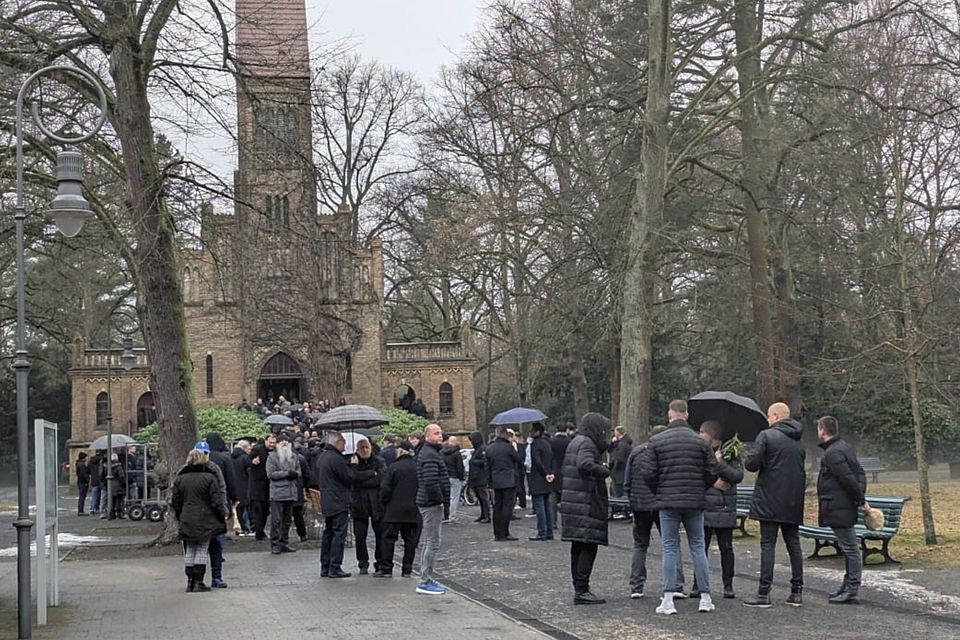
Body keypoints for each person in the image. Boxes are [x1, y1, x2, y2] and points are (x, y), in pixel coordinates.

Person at [640, 400, 718, 615]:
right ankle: (705, 597)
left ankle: (668, 599)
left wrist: (659, 489)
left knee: (669, 547)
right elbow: (713, 471)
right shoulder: (701, 442)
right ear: (687, 414)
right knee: (698, 546)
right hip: (695, 501)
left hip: (668, 501)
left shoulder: (657, 441)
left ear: (669, 415)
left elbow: (647, 472)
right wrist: (700, 487)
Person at [743, 402, 806, 608]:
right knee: (793, 544)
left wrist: (748, 456)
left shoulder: (767, 436)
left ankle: (764, 593)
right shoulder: (798, 440)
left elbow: (752, 464)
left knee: (767, 544)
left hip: (769, 498)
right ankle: (796, 591)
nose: (768, 420)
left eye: (769, 416)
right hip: (793, 500)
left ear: (776, 416)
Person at [624, 425, 685, 600]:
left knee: (640, 544)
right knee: (671, 543)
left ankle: (636, 586)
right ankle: (676, 584)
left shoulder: (636, 452)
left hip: (639, 504)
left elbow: (627, 481)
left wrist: (632, 500)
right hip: (661, 503)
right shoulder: (667, 452)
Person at [560, 412, 611, 605]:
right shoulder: (587, 444)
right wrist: (604, 471)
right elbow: (585, 464)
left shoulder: (576, 441)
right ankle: (582, 589)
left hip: (575, 501)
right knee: (588, 546)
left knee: (578, 546)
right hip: (586, 502)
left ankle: (579, 587)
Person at [816, 416, 868, 604]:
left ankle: (851, 588)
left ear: (822, 430)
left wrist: (860, 500)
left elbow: (847, 479)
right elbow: (859, 474)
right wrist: (859, 496)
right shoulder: (844, 448)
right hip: (842, 505)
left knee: (850, 548)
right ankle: (847, 586)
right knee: (849, 548)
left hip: (839, 506)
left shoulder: (833, 453)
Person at [696, 420, 744, 600]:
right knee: (701, 547)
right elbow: (695, 475)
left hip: (725, 507)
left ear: (714, 438)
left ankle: (728, 585)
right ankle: (698, 583)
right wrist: (713, 482)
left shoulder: (731, 453)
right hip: (706, 506)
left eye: (703, 432)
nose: (700, 435)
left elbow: (737, 476)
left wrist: (720, 463)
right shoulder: (700, 451)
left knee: (726, 548)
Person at [171, 445, 228, 592]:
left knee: (190, 548)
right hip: (205, 518)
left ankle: (190, 581)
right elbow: (216, 500)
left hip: (187, 517)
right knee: (202, 549)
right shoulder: (209, 478)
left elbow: (175, 501)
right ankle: (199, 581)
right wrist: (222, 514)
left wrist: (179, 514)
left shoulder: (180, 479)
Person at [377, 441, 421, 578]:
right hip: (413, 509)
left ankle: (387, 568)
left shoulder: (394, 467)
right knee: (410, 541)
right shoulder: (417, 467)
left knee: (389, 539)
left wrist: (384, 502)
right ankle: (407, 569)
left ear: (401, 451)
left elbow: (385, 488)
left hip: (394, 510)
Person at [315, 432, 356, 578]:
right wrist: (352, 466)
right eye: (343, 442)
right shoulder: (336, 459)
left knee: (328, 533)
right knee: (338, 534)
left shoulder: (323, 456)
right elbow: (348, 477)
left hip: (327, 500)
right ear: (337, 442)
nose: (345, 445)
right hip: (338, 500)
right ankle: (335, 566)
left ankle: (325, 566)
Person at [415, 423, 450, 595]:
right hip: (431, 504)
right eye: (436, 433)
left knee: (430, 541)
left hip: (429, 502)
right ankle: (425, 580)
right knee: (432, 542)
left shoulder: (431, 453)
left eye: (441, 433)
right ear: (427, 436)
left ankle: (426, 577)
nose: (440, 436)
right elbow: (430, 482)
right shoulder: (429, 455)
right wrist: (439, 500)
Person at [205, 433, 237, 587]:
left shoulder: (202, 458)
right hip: (220, 500)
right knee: (219, 532)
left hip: (202, 503)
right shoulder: (225, 459)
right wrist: (235, 498)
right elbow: (231, 480)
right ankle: (217, 562)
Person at [351, 438, 386, 575]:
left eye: (367, 447)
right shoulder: (353, 462)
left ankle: (380, 562)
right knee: (360, 536)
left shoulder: (379, 461)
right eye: (362, 448)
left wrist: (362, 478)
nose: (365, 450)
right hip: (359, 504)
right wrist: (371, 473)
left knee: (380, 535)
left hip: (377, 503)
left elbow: (381, 479)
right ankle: (362, 562)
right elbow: (353, 479)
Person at [267, 433, 301, 554]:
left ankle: (284, 542)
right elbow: (270, 474)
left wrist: (295, 474)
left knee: (287, 520)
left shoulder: (294, 457)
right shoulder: (272, 457)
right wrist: (287, 473)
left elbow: (298, 471)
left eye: (287, 442)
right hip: (277, 493)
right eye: (282, 442)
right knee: (276, 520)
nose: (285, 444)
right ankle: (275, 544)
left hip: (291, 492)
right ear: (278, 444)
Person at [486, 426, 522, 541]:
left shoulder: (490, 448)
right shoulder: (508, 448)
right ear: (505, 435)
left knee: (497, 506)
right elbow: (518, 459)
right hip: (508, 479)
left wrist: (489, 482)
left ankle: (497, 533)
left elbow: (487, 467)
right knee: (507, 506)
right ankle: (505, 532)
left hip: (496, 480)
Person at [527, 423, 555, 541]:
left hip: (538, 478)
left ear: (537, 432)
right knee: (547, 506)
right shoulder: (547, 443)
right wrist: (551, 473)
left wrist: (545, 474)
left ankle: (542, 532)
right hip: (548, 478)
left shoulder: (535, 445)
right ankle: (549, 531)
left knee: (539, 507)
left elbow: (537, 462)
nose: (530, 433)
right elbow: (553, 460)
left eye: (532, 431)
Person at [549, 423, 575, 526]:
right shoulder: (570, 442)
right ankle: (566, 522)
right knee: (566, 499)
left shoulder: (551, 442)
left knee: (553, 498)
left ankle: (553, 522)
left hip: (554, 472)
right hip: (567, 471)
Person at [467, 431, 491, 523]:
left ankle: (487, 515)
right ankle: (483, 514)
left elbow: (485, 462)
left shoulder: (483, 449)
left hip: (481, 478)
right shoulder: (476, 450)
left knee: (483, 497)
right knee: (480, 498)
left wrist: (475, 461)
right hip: (476, 478)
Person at [441, 436, 466, 523]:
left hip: (445, 477)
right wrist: (462, 477)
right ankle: (452, 516)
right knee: (454, 498)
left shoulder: (442, 452)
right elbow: (460, 467)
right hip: (455, 477)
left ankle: (446, 515)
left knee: (446, 497)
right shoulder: (456, 453)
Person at [231, 439, 253, 536]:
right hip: (245, 485)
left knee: (238, 508)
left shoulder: (230, 457)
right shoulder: (245, 458)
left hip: (235, 485)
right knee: (246, 508)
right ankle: (246, 527)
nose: (250, 450)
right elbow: (249, 472)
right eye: (249, 447)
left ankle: (239, 527)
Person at [609, 426, 633, 500]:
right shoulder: (621, 443)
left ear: (618, 432)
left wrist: (612, 467)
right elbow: (610, 450)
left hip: (619, 474)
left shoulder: (622, 445)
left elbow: (619, 459)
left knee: (618, 493)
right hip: (621, 473)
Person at [106, 453, 126, 520]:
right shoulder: (119, 467)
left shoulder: (107, 466)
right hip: (118, 485)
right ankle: (119, 514)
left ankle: (112, 514)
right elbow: (121, 476)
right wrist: (124, 483)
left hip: (110, 484)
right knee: (119, 500)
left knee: (112, 501)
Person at [88, 451, 103, 516]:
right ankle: (98, 507)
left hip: (94, 480)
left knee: (94, 495)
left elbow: (88, 470)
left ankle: (93, 508)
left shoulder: (91, 461)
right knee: (101, 495)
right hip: (101, 479)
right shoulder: (102, 460)